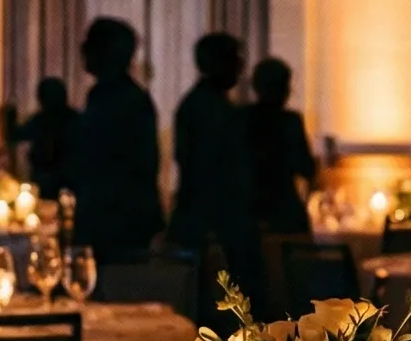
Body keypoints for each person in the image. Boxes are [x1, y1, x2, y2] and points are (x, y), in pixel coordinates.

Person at [66, 17, 162, 262]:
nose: (82, 51)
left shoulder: (116, 100)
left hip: (114, 221)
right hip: (118, 217)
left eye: (89, 45)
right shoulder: (123, 97)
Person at [169, 32, 257, 292]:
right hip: (213, 224)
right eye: (235, 60)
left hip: (204, 220)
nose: (241, 67)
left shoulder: (197, 104)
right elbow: (212, 171)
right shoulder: (213, 110)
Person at [245, 57, 318, 237]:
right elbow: (306, 168)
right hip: (285, 211)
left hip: (249, 211)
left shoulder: (241, 119)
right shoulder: (290, 122)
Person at [15, 76, 76, 193]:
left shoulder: (42, 120)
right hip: (47, 177)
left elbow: (17, 135)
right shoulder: (40, 120)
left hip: (64, 177)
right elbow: (18, 135)